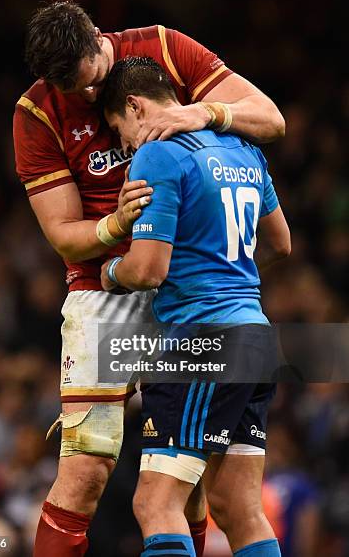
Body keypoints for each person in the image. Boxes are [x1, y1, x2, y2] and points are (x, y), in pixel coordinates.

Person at [13, 0, 285, 557]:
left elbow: (271, 119)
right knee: (88, 469)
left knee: (184, 496)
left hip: (181, 291)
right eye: (73, 93)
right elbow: (64, 235)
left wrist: (203, 113)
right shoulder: (36, 114)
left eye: (94, 85)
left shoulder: (162, 48)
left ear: (98, 39)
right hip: (107, 292)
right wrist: (116, 227)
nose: (90, 101)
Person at [100, 56, 291, 557]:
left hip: (202, 340)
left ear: (135, 106)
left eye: (120, 131)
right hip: (255, 334)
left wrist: (108, 272)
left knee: (156, 504)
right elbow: (279, 245)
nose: (124, 147)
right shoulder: (243, 147)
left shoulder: (157, 153)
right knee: (238, 507)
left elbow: (146, 270)